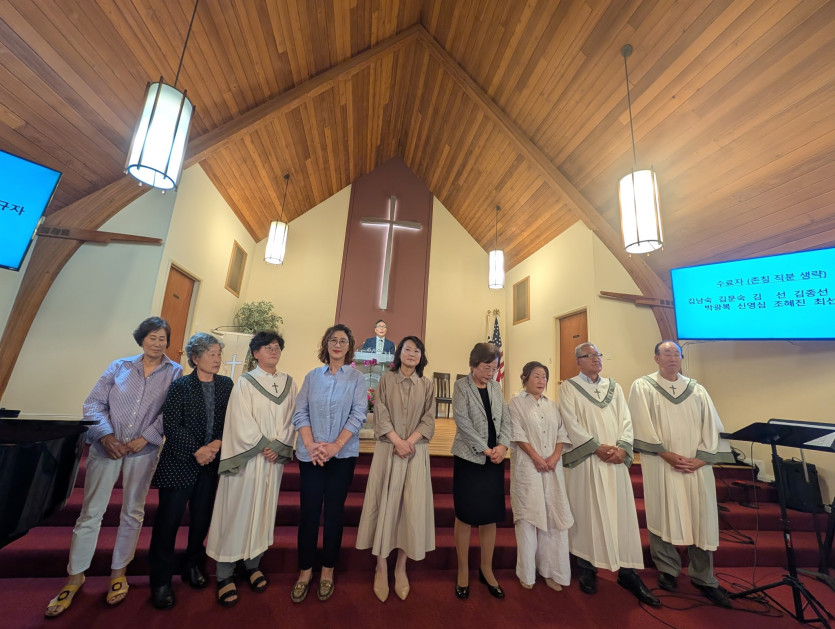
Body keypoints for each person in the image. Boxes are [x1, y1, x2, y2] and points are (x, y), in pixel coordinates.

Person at [45, 317, 182, 618]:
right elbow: (94, 403)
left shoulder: (174, 372)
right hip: (107, 448)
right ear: (141, 339)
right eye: (152, 337)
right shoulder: (119, 366)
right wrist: (106, 436)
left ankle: (119, 572)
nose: (157, 343)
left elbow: (170, 412)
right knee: (91, 512)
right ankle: (75, 577)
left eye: (162, 338)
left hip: (143, 451)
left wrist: (145, 438)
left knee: (133, 512)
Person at [628, 340, 734, 608]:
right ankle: (667, 569)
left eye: (677, 353)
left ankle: (704, 576)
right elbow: (640, 423)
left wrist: (701, 459)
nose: (673, 357)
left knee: (701, 516)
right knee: (662, 511)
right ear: (656, 358)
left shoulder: (697, 389)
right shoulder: (643, 386)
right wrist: (665, 454)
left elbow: (711, 425)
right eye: (667, 353)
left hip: (696, 466)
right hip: (661, 463)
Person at [558, 342, 660, 607]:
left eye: (598, 355)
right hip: (588, 461)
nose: (596, 359)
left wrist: (622, 448)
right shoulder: (568, 387)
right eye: (590, 355)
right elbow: (570, 421)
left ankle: (627, 571)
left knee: (621, 514)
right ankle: (587, 568)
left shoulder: (614, 387)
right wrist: (596, 447)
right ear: (578, 361)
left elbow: (626, 420)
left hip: (614, 461)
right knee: (588, 514)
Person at [205, 330, 297, 607]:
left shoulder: (290, 383)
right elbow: (238, 419)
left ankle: (253, 564)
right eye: (267, 347)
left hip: (272, 462)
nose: (273, 350)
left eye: (277, 346)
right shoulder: (245, 382)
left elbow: (293, 417)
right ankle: (225, 573)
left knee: (263, 511)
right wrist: (263, 445)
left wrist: (278, 445)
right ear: (255, 353)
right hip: (247, 460)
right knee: (237, 510)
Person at [148, 332, 233, 610]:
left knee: (201, 520)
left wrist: (216, 445)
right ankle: (161, 581)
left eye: (219, 354)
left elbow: (231, 421)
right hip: (179, 462)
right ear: (195, 358)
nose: (217, 359)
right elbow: (172, 426)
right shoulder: (180, 386)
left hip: (210, 464)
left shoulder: (226, 385)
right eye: (211, 354)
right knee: (167, 523)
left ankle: (193, 565)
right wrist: (198, 450)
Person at [291, 324, 367, 603]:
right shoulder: (312, 377)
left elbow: (358, 415)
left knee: (334, 513)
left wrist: (335, 446)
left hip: (342, 456)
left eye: (343, 341)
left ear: (349, 347)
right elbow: (300, 412)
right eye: (333, 340)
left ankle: (327, 570)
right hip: (311, 455)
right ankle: (304, 571)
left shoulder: (357, 379)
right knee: (309, 513)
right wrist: (311, 444)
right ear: (326, 344)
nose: (337, 344)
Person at [356, 336, 436, 602]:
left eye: (417, 350)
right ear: (399, 353)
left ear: (421, 356)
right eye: (407, 349)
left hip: (414, 452)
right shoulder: (386, 380)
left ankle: (400, 567)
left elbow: (429, 418)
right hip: (388, 450)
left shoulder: (426, 384)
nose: (412, 353)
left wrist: (409, 442)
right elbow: (380, 412)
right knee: (384, 504)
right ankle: (381, 566)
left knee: (410, 508)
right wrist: (396, 441)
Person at [451, 342, 511, 600]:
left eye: (494, 368)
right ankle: (463, 570)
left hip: (495, 459)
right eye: (487, 367)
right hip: (470, 459)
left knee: (490, 516)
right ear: (474, 364)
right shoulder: (461, 386)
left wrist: (503, 446)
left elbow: (506, 419)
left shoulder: (496, 387)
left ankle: (486, 569)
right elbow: (462, 422)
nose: (491, 372)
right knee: (465, 515)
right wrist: (485, 449)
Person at [508, 361, 572, 591]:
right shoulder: (516, 403)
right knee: (528, 518)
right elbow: (517, 433)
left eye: (544, 376)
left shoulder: (552, 406)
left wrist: (555, 456)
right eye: (536, 375)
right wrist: (536, 457)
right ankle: (527, 573)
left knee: (554, 517)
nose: (541, 380)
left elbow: (562, 433)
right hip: (528, 467)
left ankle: (552, 571)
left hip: (552, 468)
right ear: (524, 378)